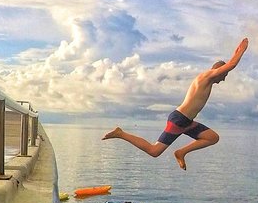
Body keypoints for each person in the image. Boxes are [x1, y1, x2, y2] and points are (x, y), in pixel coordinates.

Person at [102, 38, 249, 170]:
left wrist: (236, 53)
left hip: (187, 121)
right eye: (224, 75)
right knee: (155, 151)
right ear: (218, 71)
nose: (224, 79)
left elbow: (229, 65)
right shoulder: (206, 76)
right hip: (179, 120)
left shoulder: (208, 80)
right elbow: (231, 64)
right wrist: (241, 51)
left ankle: (181, 152)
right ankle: (121, 133)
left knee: (212, 137)